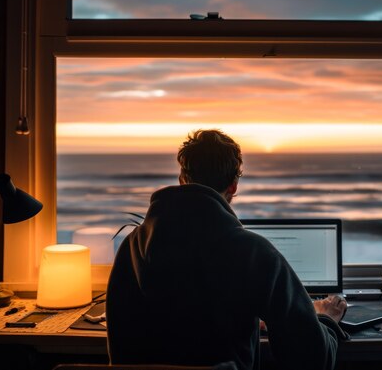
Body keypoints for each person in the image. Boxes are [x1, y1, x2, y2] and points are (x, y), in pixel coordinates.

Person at [106, 129, 347, 370]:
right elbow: (313, 359)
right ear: (233, 185)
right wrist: (326, 318)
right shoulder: (251, 252)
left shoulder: (132, 247)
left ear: (182, 179)